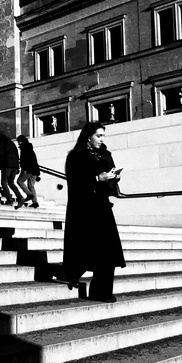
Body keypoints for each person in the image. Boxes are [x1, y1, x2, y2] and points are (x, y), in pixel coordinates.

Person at [62, 122, 126, 301]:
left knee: (108, 251)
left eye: (103, 135)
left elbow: (108, 182)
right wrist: (98, 178)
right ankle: (74, 272)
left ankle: (102, 292)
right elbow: (75, 183)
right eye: (98, 136)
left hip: (102, 206)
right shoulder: (76, 156)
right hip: (84, 208)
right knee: (88, 247)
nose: (102, 139)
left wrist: (113, 177)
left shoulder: (104, 154)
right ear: (88, 137)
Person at [0, 131, 26, 207]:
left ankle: (9, 200)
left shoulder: (1, 143)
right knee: (11, 182)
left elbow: (0, 155)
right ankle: (20, 197)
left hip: (7, 165)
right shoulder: (12, 143)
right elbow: (17, 155)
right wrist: (18, 167)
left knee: (4, 182)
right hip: (15, 166)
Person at [16, 134, 41, 208]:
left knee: (19, 181)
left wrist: (24, 170)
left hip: (29, 169)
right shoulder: (30, 148)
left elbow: (25, 161)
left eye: (19, 141)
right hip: (34, 170)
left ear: (22, 141)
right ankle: (35, 202)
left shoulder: (24, 148)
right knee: (31, 186)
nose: (18, 143)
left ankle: (29, 195)